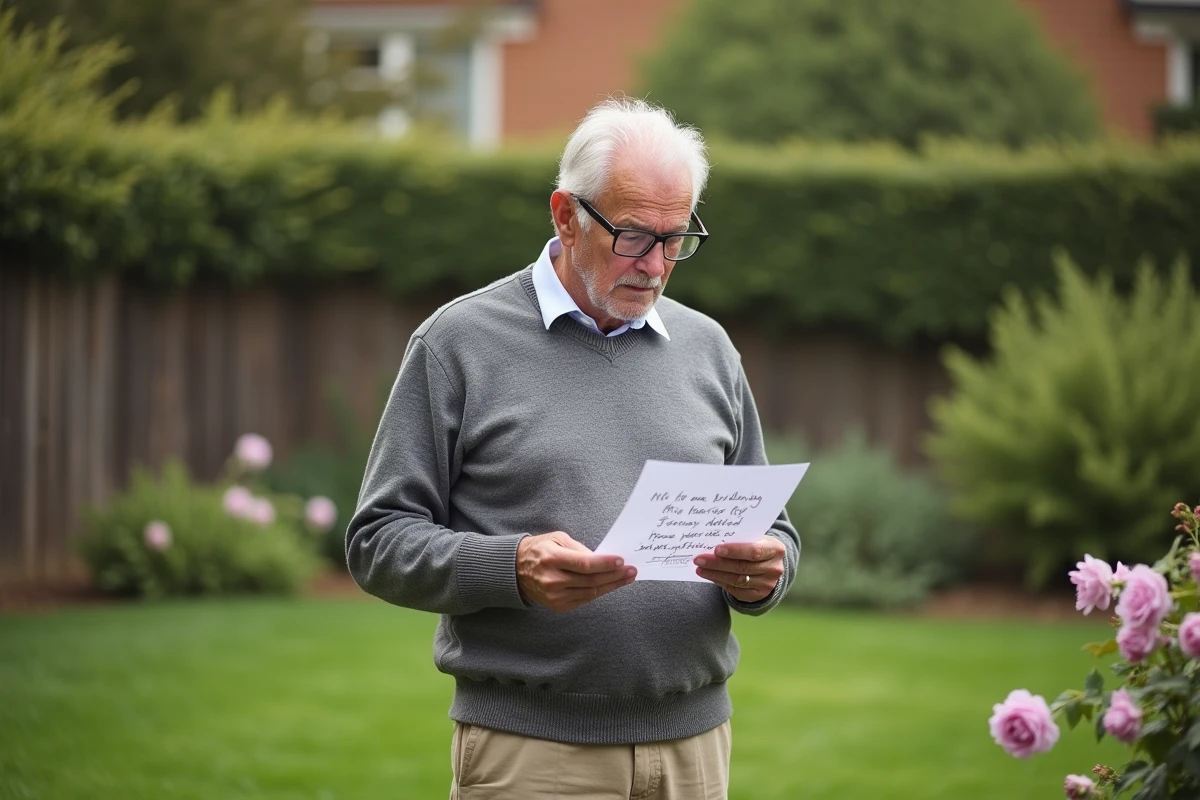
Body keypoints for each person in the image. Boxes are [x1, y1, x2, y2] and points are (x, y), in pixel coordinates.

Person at [347, 97, 800, 800]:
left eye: (675, 238)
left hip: (696, 748)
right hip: (533, 752)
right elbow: (378, 542)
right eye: (632, 235)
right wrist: (512, 567)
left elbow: (773, 529)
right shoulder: (458, 343)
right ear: (565, 214)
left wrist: (768, 572)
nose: (655, 264)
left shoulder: (709, 348)